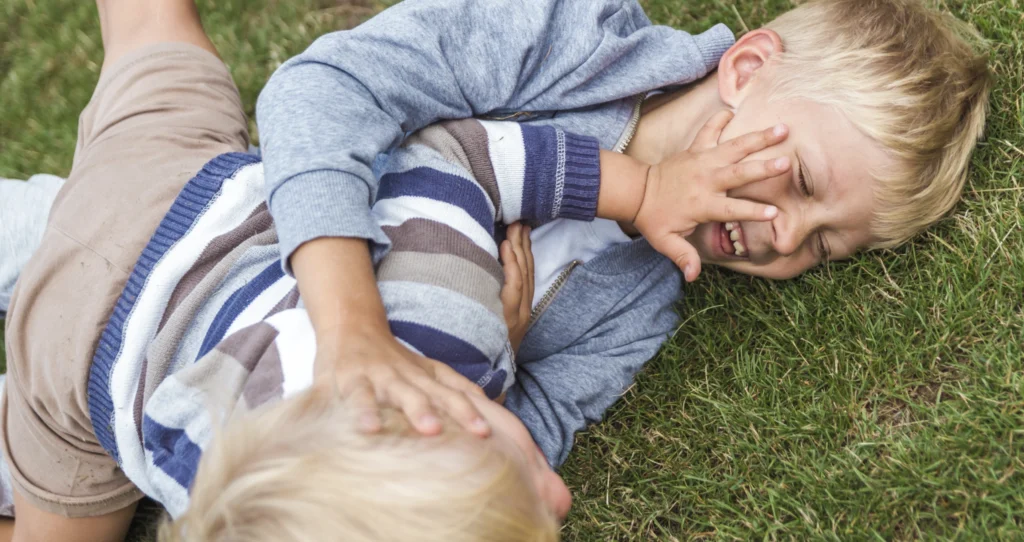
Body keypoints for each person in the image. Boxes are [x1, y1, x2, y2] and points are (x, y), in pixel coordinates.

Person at [0, 0, 990, 541]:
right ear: (745, 70)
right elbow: (322, 94)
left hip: (130, 374)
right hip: (201, 215)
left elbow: (542, 424)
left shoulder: (642, 300)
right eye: (802, 182)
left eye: (825, 245)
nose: (783, 233)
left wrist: (498, 359)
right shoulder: (568, 40)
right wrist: (354, 327)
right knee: (145, 52)